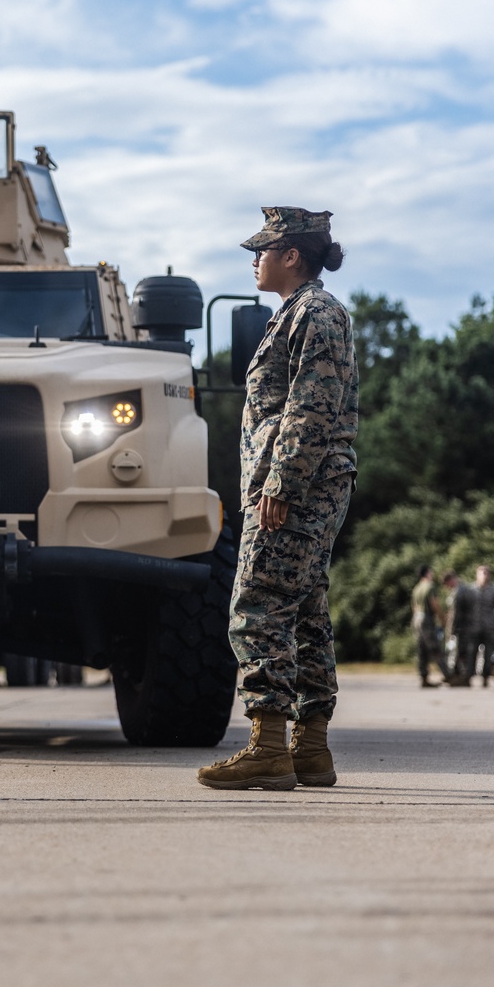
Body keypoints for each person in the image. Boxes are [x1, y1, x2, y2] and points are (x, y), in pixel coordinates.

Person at [198, 206, 358, 792]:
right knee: (306, 611)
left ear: (292, 255)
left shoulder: (315, 313)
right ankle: (310, 748)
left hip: (298, 485)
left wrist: (281, 485)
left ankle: (266, 747)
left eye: (263, 250)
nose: (256, 260)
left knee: (257, 600)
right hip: (305, 483)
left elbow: (311, 405)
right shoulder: (298, 314)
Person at [411, 565, 448, 688]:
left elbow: (414, 607)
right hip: (426, 619)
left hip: (416, 619)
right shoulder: (430, 586)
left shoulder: (416, 588)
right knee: (435, 648)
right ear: (427, 573)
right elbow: (434, 604)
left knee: (422, 650)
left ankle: (423, 678)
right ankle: (449, 675)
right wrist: (443, 619)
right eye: (431, 572)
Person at [470, 564, 494, 687]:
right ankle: (469, 676)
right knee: (472, 652)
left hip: (489, 627)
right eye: (481, 572)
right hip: (474, 627)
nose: (484, 575)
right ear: (477, 574)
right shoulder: (471, 590)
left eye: (486, 572)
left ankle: (485, 677)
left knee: (488, 654)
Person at [442, 570, 475, 686]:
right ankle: (462, 677)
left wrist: (451, 631)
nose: (447, 587)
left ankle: (463, 678)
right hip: (468, 627)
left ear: (450, 580)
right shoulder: (467, 589)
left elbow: (455, 615)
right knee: (463, 653)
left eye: (447, 584)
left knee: (460, 654)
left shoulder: (458, 592)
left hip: (461, 628)